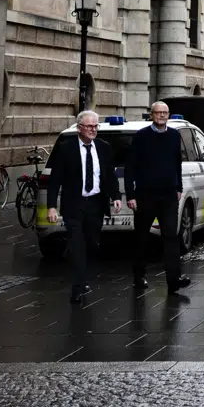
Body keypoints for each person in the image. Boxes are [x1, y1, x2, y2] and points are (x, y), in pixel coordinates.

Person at [45, 110, 121, 303]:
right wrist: (52, 206)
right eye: (89, 126)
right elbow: (55, 180)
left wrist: (115, 196)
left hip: (95, 204)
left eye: (95, 126)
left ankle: (83, 276)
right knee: (77, 244)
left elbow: (109, 177)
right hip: (74, 204)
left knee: (91, 244)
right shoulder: (66, 149)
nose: (93, 130)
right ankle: (77, 287)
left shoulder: (104, 148)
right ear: (79, 128)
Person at [125, 101, 192, 297]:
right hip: (145, 195)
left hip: (169, 195)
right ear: (151, 115)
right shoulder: (141, 137)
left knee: (171, 236)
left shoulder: (174, 135)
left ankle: (174, 280)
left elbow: (176, 163)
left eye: (165, 113)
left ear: (168, 115)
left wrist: (178, 187)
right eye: (158, 113)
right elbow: (131, 167)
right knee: (141, 238)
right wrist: (131, 195)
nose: (161, 116)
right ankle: (139, 275)